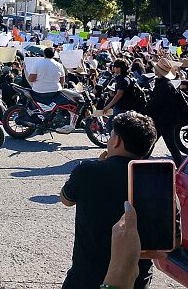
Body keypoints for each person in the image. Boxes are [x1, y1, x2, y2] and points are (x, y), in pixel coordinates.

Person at [59, 111, 157, 289]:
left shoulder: (87, 171)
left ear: (117, 140)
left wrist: (97, 166)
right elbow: (171, 240)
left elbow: (66, 199)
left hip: (86, 277)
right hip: (135, 278)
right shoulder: (157, 180)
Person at [144, 58, 184, 166]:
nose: (154, 70)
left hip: (165, 120)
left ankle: (181, 166)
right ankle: (141, 162)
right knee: (151, 142)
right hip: (163, 119)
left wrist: (144, 111)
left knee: (170, 145)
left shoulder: (165, 85)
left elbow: (156, 102)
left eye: (156, 68)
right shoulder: (164, 83)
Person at [102, 59, 131, 132]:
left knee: (112, 126)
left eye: (114, 66)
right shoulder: (124, 78)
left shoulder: (123, 79)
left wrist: (108, 106)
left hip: (122, 107)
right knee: (111, 126)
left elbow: (119, 94)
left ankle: (118, 142)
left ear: (119, 68)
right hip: (121, 106)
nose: (113, 68)